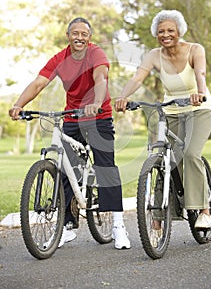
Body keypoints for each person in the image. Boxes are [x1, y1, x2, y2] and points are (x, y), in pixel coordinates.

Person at [9, 17, 130, 250]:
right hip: (72, 116)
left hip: (98, 116)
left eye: (84, 34)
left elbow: (100, 78)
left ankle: (117, 225)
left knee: (106, 168)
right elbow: (38, 83)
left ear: (89, 38)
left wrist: (95, 102)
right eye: (75, 33)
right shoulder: (59, 59)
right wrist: (18, 104)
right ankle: (67, 226)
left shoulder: (96, 54)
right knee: (66, 170)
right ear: (68, 36)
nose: (80, 37)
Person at [115, 9, 211, 242]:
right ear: (156, 34)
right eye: (161, 31)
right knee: (163, 159)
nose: (166, 34)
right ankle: (159, 216)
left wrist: (200, 92)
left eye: (170, 30)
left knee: (190, 154)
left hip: (198, 109)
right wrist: (123, 97)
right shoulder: (154, 55)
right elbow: (138, 77)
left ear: (179, 31)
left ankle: (204, 211)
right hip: (169, 111)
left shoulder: (195, 49)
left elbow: (200, 72)